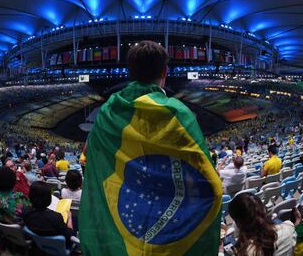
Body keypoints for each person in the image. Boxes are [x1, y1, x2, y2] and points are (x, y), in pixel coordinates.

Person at [80, 41, 222, 255]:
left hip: (127, 220)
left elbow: (96, 163)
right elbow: (209, 182)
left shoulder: (109, 111)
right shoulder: (178, 113)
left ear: (130, 71)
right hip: (167, 236)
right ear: (165, 71)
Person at [228, 193, 297, 255]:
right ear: (263, 210)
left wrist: (221, 251)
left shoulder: (241, 251)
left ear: (238, 223)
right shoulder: (289, 228)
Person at [23, 182, 75, 248]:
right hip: (58, 247)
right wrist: (70, 217)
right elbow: (70, 234)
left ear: (30, 196)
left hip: (37, 244)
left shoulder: (25, 211)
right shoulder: (56, 217)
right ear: (48, 199)